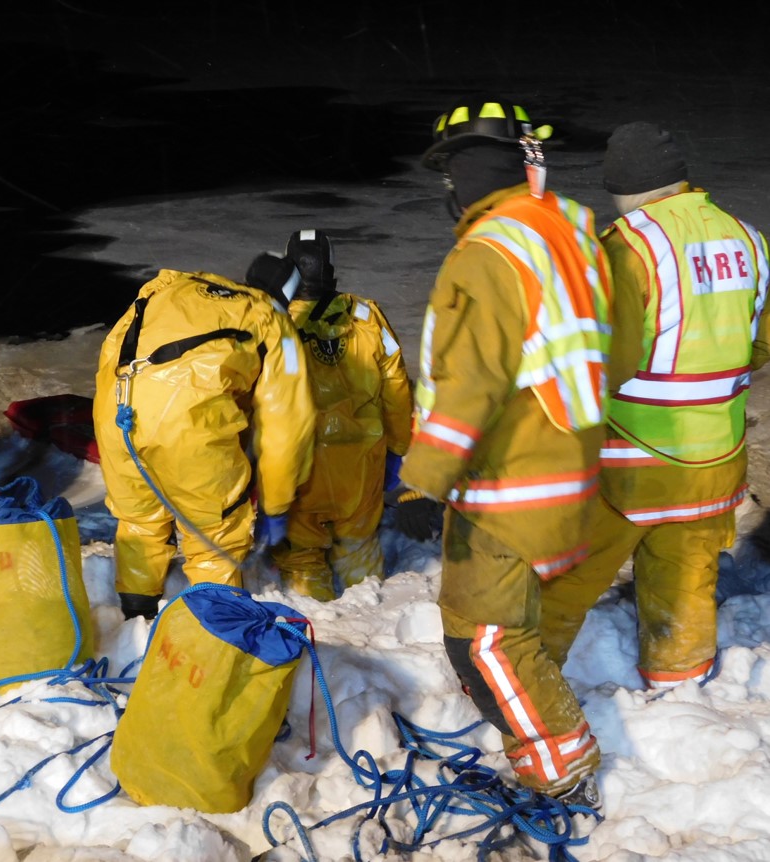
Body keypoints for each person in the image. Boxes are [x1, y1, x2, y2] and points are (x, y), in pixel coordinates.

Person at [397, 97, 621, 808]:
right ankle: (548, 745)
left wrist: (420, 483)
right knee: (516, 631)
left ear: (460, 175)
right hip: (569, 468)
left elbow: (470, 381)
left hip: (509, 482)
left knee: (487, 641)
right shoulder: (569, 232)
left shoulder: (488, 252)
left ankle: (561, 765)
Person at [539, 122, 770, 690]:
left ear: (622, 187)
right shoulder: (749, 239)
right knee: (685, 577)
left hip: (635, 456)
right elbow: (760, 345)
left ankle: (527, 678)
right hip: (717, 453)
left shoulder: (628, 247)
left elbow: (606, 359)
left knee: (571, 574)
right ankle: (678, 684)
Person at [93, 254, 316, 620]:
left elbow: (113, 348)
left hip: (117, 413)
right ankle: (213, 629)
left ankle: (134, 617)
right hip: (191, 429)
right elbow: (286, 429)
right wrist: (276, 505)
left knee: (139, 520)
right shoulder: (272, 322)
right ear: (286, 297)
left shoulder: (172, 287)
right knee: (215, 533)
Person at [268, 229, 413, 600]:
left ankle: (316, 616)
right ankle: (365, 604)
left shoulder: (272, 323)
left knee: (301, 554)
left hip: (301, 467)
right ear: (330, 268)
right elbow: (396, 386)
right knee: (359, 545)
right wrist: (397, 448)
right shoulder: (366, 316)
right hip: (361, 464)